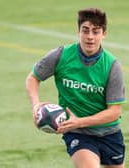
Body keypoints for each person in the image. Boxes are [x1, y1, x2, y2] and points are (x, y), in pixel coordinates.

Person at [25, 8, 126, 168]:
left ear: (104, 34)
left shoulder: (112, 66)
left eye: (95, 31)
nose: (90, 37)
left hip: (109, 133)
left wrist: (79, 122)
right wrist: (36, 104)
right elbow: (33, 78)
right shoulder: (61, 55)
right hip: (77, 133)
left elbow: (114, 112)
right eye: (85, 30)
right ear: (78, 31)